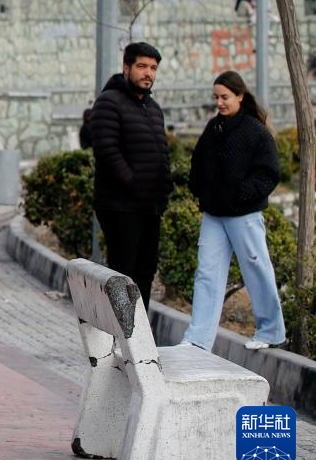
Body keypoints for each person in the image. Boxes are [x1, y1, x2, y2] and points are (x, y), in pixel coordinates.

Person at [182, 71, 286, 351]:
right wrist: (199, 189)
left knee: (256, 269)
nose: (219, 102)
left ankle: (271, 332)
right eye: (216, 97)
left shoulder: (256, 131)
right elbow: (197, 163)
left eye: (225, 97)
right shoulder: (213, 128)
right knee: (207, 274)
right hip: (214, 216)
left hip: (244, 216)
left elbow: (269, 173)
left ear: (240, 95)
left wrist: (241, 194)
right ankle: (198, 339)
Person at [91, 42, 173, 310]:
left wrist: (164, 187)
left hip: (150, 206)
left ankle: (139, 331)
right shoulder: (109, 102)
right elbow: (106, 150)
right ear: (126, 68)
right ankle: (118, 331)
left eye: (153, 68)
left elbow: (161, 151)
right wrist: (133, 183)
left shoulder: (153, 108)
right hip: (120, 206)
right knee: (123, 274)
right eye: (142, 66)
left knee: (145, 272)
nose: (148, 73)